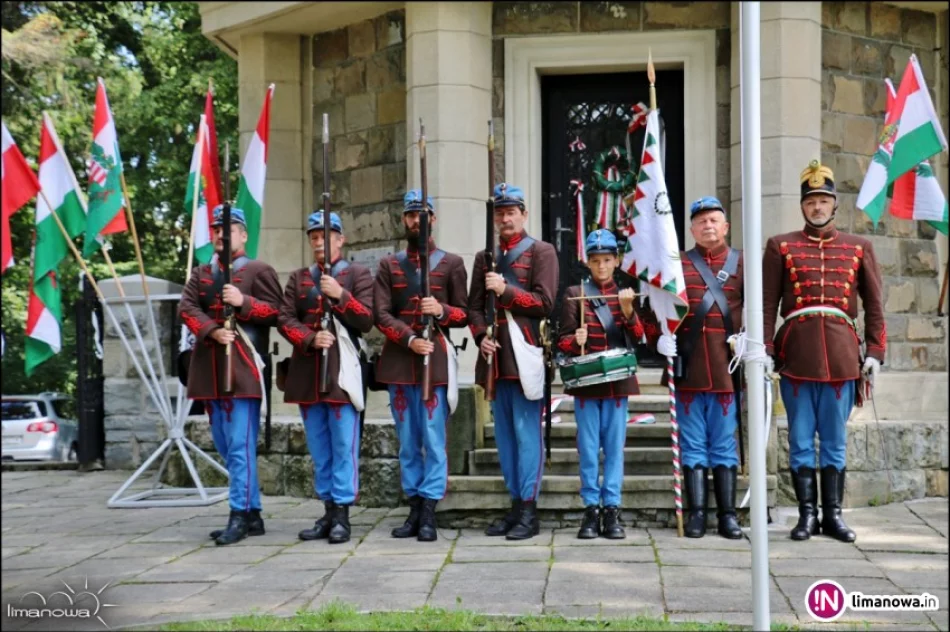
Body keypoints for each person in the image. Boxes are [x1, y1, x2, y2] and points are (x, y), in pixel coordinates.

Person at [763, 160, 885, 543]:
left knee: (833, 440)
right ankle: (806, 517)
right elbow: (767, 304)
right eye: (811, 200)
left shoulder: (858, 247)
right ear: (802, 206)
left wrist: (876, 352)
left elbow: (875, 304)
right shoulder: (780, 245)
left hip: (842, 355)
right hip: (797, 356)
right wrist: (766, 349)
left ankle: (832, 517)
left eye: (824, 200)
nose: (817, 207)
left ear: (835, 205)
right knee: (800, 439)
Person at [179, 204, 282, 546]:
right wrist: (211, 330)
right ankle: (253, 513)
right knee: (225, 443)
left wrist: (242, 302)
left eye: (230, 228)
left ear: (243, 234)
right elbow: (187, 307)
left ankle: (238, 514)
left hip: (244, 366)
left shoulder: (259, 270)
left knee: (239, 445)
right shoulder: (201, 274)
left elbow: (276, 313)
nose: (223, 234)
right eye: (218, 229)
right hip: (209, 367)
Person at [373, 190, 469, 542]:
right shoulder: (389, 265)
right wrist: (408, 338)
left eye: (423, 214)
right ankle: (413, 506)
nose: (417, 220)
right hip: (400, 361)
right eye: (412, 215)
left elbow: (463, 314)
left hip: (437, 362)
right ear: (405, 220)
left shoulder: (453, 263)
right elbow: (380, 314)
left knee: (434, 437)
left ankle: (430, 509)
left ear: (433, 219)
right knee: (408, 440)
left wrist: (440, 311)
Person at [277, 210, 374, 544]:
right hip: (307, 371)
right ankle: (327, 511)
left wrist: (340, 295)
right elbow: (285, 318)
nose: (319, 242)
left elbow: (366, 319)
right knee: (319, 447)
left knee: (344, 444)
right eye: (314, 237)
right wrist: (308, 338)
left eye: (326, 236)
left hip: (342, 371)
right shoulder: (299, 277)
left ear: (340, 239)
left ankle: (343, 516)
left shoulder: (358, 274)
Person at [468, 183, 559, 540]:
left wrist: (505, 290)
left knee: (525, 434)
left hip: (525, 351)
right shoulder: (484, 257)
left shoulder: (541, 251)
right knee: (504, 436)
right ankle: (514, 504)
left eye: (511, 212)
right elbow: (473, 308)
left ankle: (529, 510)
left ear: (524, 214)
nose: (505, 218)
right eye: (500, 213)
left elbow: (545, 303)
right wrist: (480, 336)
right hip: (495, 356)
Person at [557, 229, 652, 540]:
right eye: (596, 260)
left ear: (617, 261)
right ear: (588, 262)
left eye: (607, 260)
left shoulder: (625, 294)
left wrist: (626, 312)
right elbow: (562, 341)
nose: (601, 266)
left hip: (617, 385)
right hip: (587, 384)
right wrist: (575, 340)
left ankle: (611, 508)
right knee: (587, 449)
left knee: (614, 448)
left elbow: (637, 337)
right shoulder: (575, 293)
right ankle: (590, 508)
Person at [668, 196, 745, 539]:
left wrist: (753, 342)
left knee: (724, 443)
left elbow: (757, 308)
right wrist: (660, 336)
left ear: (725, 226)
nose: (708, 226)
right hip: (690, 365)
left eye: (714, 220)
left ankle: (727, 515)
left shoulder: (741, 263)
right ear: (692, 229)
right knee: (693, 443)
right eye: (701, 221)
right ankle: (697, 514)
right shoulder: (677, 264)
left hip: (727, 367)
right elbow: (660, 308)